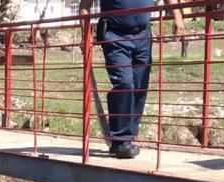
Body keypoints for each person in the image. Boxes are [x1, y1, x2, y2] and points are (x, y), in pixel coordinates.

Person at [78, 0, 186, 159]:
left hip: (143, 35)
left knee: (140, 85)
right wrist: (85, 35)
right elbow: (84, 6)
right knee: (124, 83)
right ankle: (120, 139)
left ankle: (127, 138)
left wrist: (177, 16)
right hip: (115, 35)